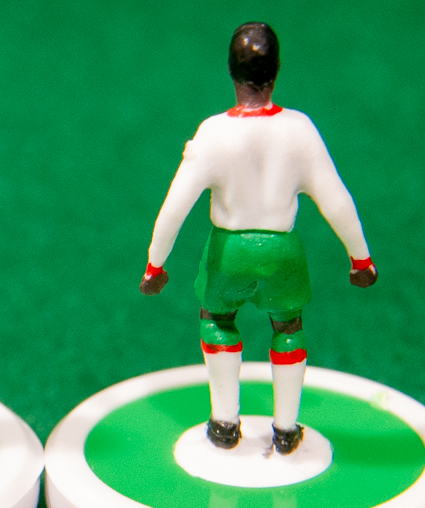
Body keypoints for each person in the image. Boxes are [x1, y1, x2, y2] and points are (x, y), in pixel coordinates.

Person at [140, 23, 377, 454]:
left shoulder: (213, 132)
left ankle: (224, 422)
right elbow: (336, 199)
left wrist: (156, 263)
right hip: (282, 251)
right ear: (277, 70)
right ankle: (286, 428)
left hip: (229, 251)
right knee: (288, 326)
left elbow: (176, 205)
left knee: (216, 319)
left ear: (231, 71)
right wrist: (360, 258)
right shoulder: (300, 129)